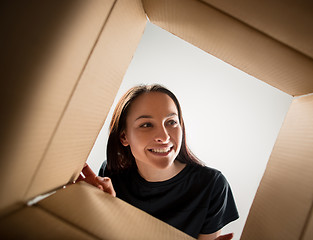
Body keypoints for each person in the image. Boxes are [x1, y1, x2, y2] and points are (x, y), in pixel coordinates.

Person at [78, 84, 239, 240]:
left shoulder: (212, 185)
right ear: (124, 137)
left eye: (171, 122)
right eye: (146, 125)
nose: (164, 136)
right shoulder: (112, 174)